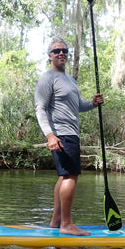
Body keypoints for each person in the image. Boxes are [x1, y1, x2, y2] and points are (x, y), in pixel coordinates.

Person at [34, 39, 104, 236]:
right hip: (61, 134)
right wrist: (50, 135)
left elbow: (77, 106)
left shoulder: (70, 80)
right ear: (50, 55)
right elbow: (40, 108)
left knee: (65, 175)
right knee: (71, 176)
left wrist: (92, 103)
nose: (61, 53)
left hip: (72, 133)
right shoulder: (47, 78)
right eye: (56, 51)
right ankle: (66, 224)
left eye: (64, 50)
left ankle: (57, 221)